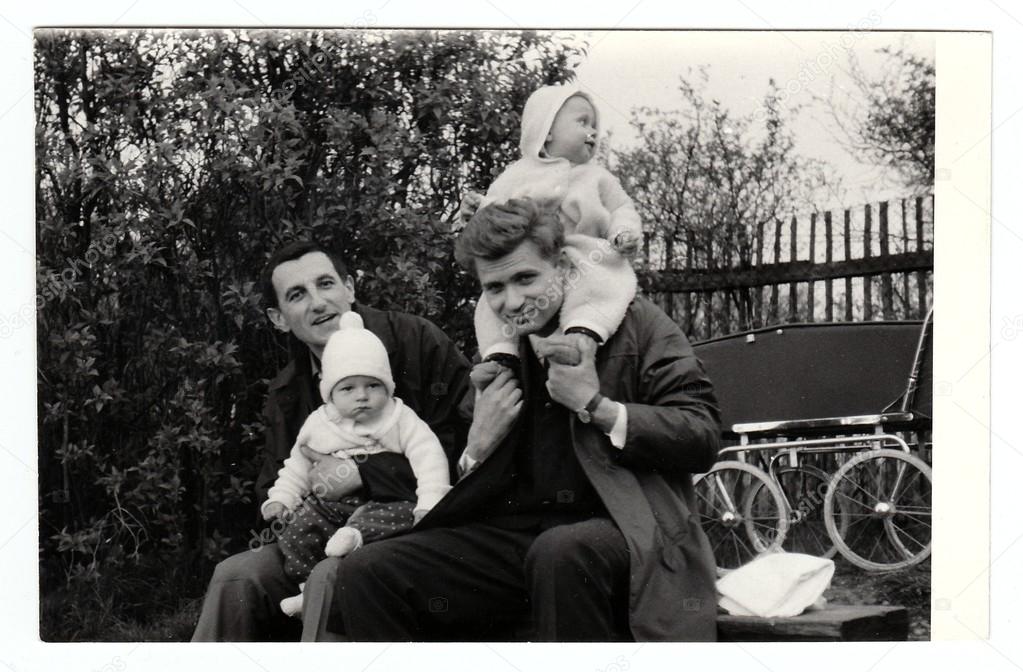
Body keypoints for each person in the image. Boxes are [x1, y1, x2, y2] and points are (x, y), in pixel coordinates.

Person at [317, 197, 721, 642]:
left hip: (628, 528)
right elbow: (468, 477)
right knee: (370, 572)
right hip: (516, 537)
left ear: (563, 268)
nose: (511, 302)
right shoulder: (502, 351)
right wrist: (477, 447)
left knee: (561, 552)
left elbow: (700, 435)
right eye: (494, 288)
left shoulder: (637, 324)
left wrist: (596, 406)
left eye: (526, 278)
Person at [191, 240, 471, 641]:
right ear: (279, 317)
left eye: (326, 284)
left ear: (350, 289)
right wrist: (290, 506)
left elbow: (457, 450)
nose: (319, 302)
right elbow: (275, 482)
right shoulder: (288, 393)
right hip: (318, 530)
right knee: (236, 575)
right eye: (297, 295)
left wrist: (361, 473)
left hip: (409, 527)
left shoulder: (416, 342)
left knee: (332, 576)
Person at [263, 311, 451, 617]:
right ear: (330, 393)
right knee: (295, 531)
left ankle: (356, 536)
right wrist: (281, 498)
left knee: (398, 512)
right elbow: (297, 466)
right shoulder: (319, 423)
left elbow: (429, 458)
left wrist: (429, 502)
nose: (362, 396)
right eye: (348, 388)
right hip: (331, 508)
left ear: (387, 386)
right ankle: (306, 589)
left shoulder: (399, 418)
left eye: (372, 386)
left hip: (383, 504)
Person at [458, 85, 643, 372]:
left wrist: (623, 231)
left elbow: (621, 208)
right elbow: (496, 212)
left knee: (602, 282)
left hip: (584, 249)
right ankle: (499, 353)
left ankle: (583, 330)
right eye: (582, 122)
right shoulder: (517, 174)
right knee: (491, 298)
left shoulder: (597, 177)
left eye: (595, 126)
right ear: (546, 129)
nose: (592, 132)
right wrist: (475, 209)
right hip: (532, 256)